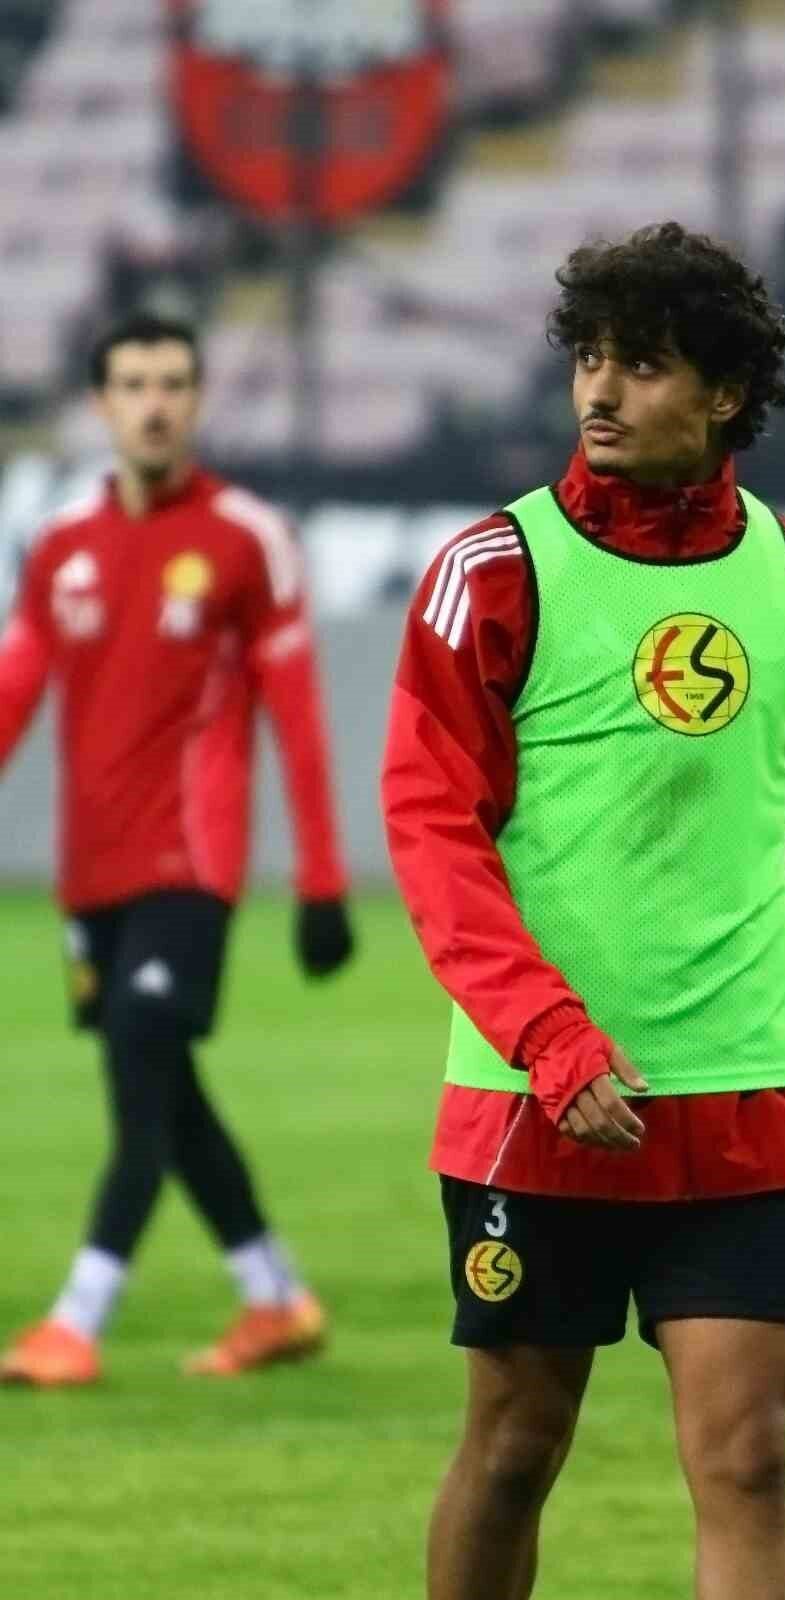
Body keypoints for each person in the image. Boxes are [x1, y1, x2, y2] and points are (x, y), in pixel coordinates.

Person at [382, 221, 785, 1600]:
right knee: (513, 1449)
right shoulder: (496, 571)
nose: (600, 392)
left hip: (746, 1095)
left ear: (725, 395)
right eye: (589, 359)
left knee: (748, 1459)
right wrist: (548, 1034)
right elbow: (433, 833)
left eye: (643, 366)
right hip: (537, 1102)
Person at [0, 312, 355, 1386]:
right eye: (133, 384)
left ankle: (77, 1319)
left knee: (141, 1067)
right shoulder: (62, 545)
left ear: (196, 401)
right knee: (166, 1090)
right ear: (100, 404)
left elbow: (297, 718)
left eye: (171, 384)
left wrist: (322, 881)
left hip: (190, 867)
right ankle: (275, 1297)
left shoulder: (247, 538)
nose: (153, 404)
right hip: (90, 876)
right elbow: (15, 688)